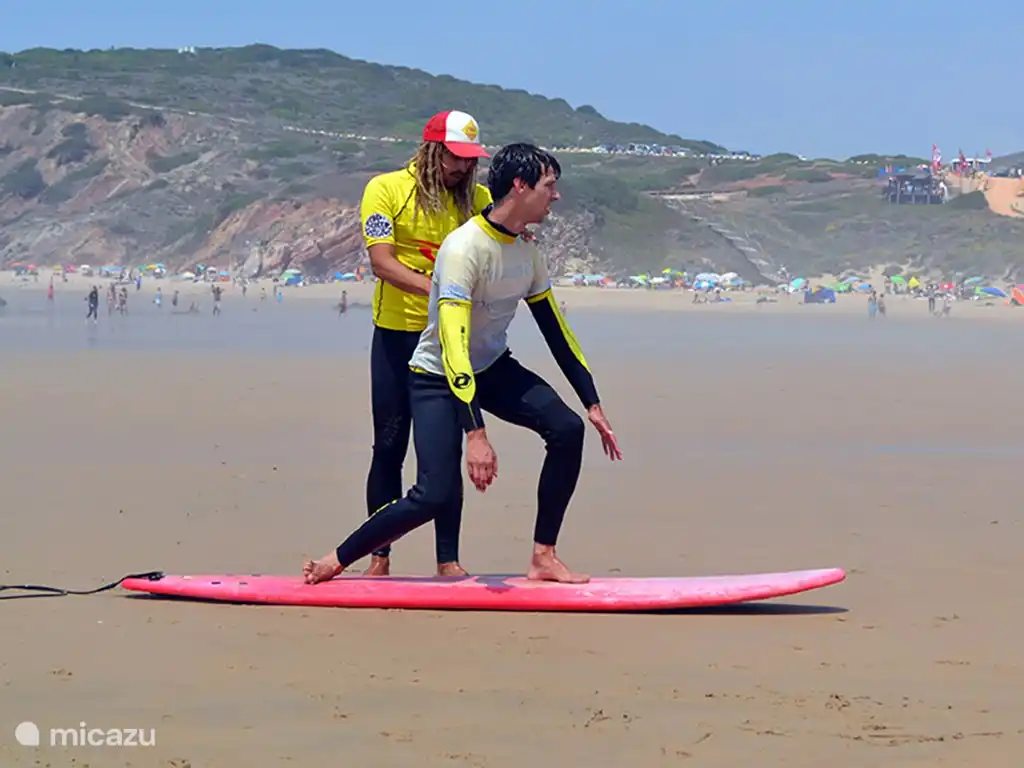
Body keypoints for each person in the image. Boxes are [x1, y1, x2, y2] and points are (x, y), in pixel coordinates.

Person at [304, 143, 622, 586]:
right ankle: (338, 558)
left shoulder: (527, 252)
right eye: (550, 186)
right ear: (520, 186)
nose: (556, 195)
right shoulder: (463, 249)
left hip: (491, 367)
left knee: (567, 429)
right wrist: (476, 433)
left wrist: (592, 403)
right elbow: (453, 344)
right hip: (437, 375)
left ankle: (543, 557)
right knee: (433, 493)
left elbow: (556, 330)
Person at [358, 110, 493, 578]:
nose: (463, 167)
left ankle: (447, 561)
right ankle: (379, 557)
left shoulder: (478, 200)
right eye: (455, 157)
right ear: (432, 150)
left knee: (443, 455)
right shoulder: (385, 190)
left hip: (447, 341)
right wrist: (442, 291)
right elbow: (382, 263)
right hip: (397, 336)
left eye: (471, 159)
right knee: (389, 447)